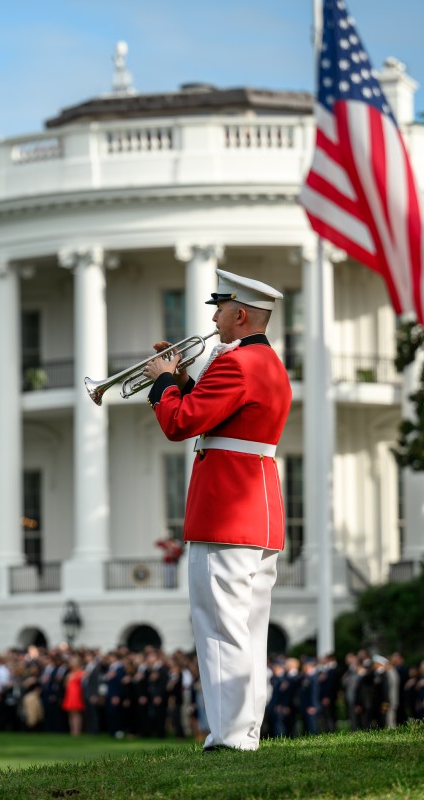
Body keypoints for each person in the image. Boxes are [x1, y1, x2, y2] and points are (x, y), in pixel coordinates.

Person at [143, 268, 291, 753]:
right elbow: (216, 413)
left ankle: (228, 736)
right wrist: (185, 380)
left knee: (219, 628)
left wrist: (163, 382)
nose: (214, 316)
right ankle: (245, 730)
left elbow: (180, 423)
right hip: (260, 514)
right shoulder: (270, 365)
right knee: (249, 632)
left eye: (221, 308)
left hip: (226, 512)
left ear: (240, 314)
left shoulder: (235, 364)